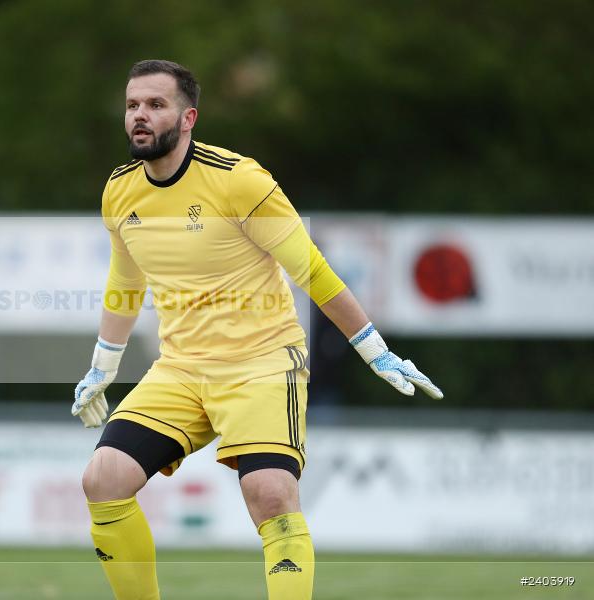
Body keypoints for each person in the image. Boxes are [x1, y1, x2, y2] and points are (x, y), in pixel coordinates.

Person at [72, 59, 442, 600]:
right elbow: (125, 282)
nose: (140, 117)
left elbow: (310, 270)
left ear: (189, 117)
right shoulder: (119, 191)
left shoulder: (240, 180)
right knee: (102, 479)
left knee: (269, 493)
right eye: (132, 106)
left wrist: (374, 349)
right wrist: (102, 366)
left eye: (156, 105)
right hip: (180, 370)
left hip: (262, 364)